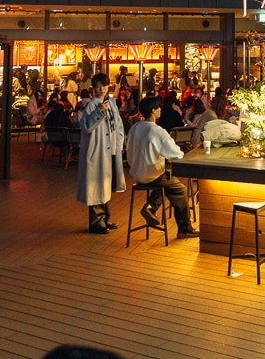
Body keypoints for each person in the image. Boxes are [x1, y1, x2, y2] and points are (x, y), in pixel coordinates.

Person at [125, 96, 199, 238]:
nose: (160, 110)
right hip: (151, 174)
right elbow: (175, 154)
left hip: (136, 173)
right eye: (158, 108)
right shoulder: (157, 131)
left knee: (166, 180)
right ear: (153, 111)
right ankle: (184, 228)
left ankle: (151, 207)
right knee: (180, 190)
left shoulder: (135, 127)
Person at [77, 73, 125, 234]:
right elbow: (86, 127)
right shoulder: (91, 105)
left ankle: (105, 218)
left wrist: (119, 144)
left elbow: (118, 125)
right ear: (93, 88)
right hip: (97, 150)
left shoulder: (111, 103)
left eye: (104, 86)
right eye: (98, 86)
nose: (101, 89)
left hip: (111, 149)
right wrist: (98, 112)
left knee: (105, 184)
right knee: (96, 185)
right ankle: (97, 222)